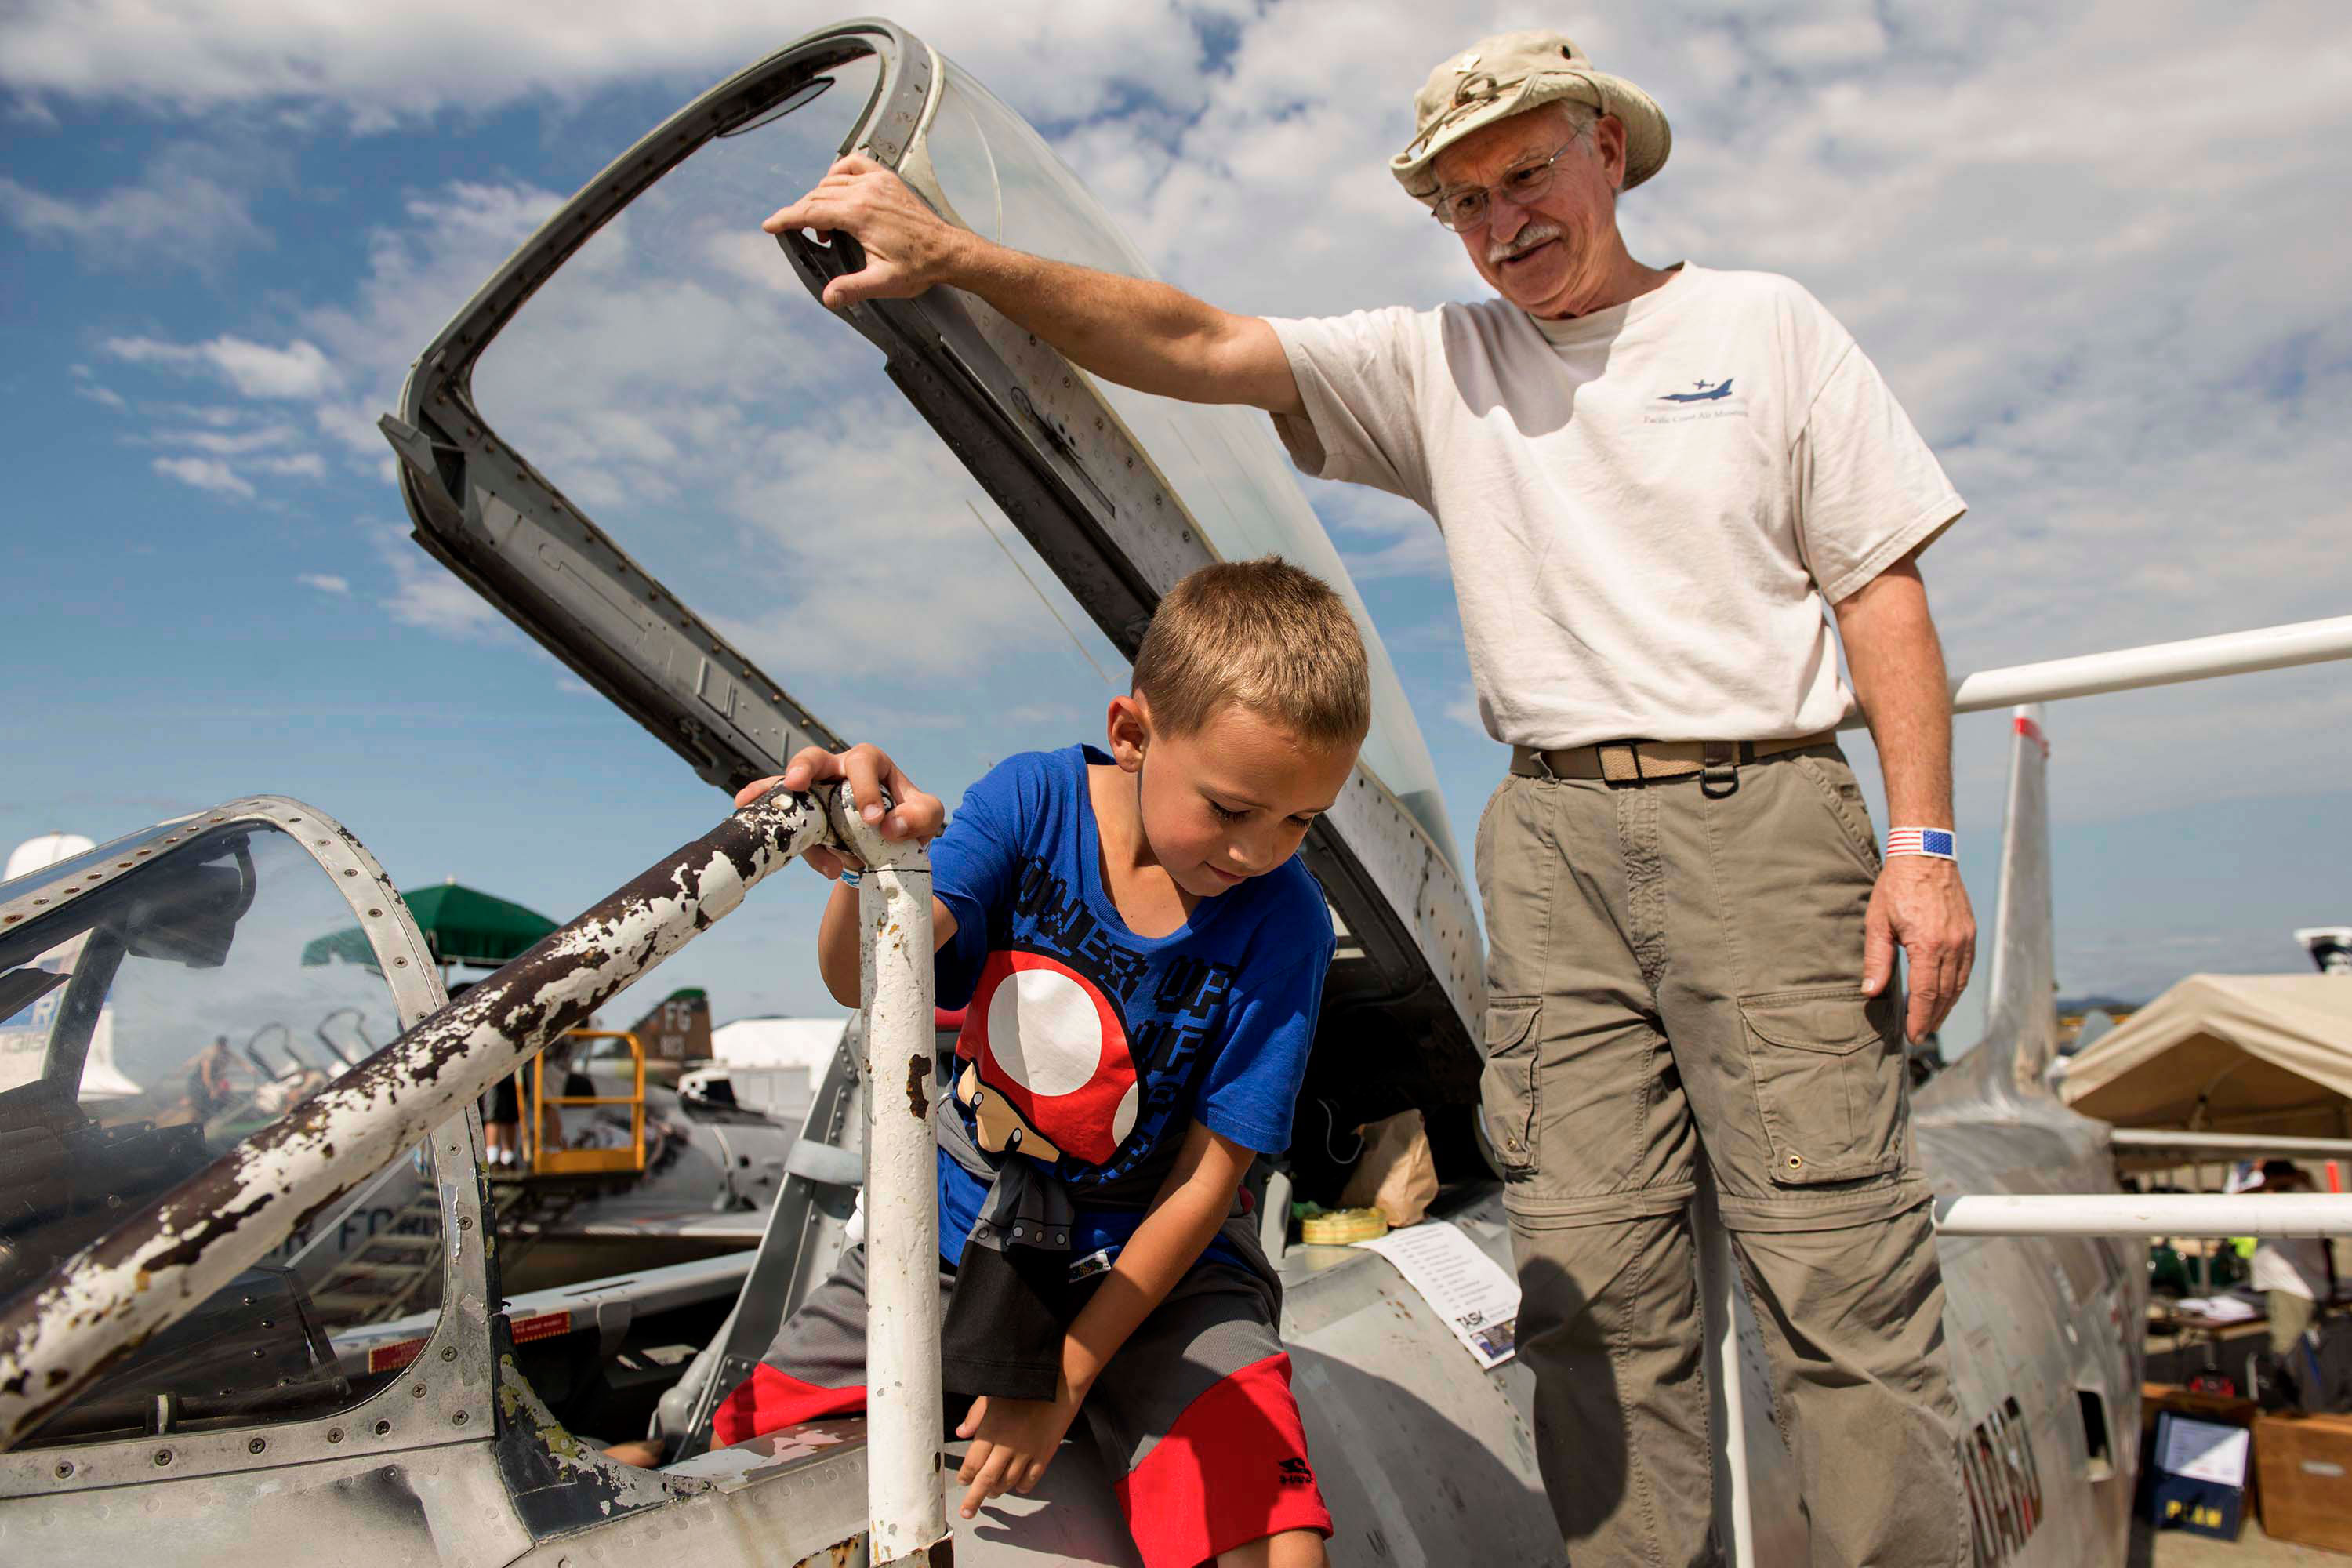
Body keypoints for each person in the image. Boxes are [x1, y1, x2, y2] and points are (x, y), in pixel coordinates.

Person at [761, 28, 1975, 1564]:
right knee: (1592, 1294)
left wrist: (1923, 843)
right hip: (1550, 836)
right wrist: (954, 258)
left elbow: (1881, 592)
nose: (1502, 222)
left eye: (1525, 176)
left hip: (1763, 812)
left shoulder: (1766, 326)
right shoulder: (1444, 362)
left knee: (1838, 1279)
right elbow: (1194, 342)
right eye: (1464, 202)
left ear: (1607, 148)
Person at [716, 560, 1365, 1568]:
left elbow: (1207, 1182)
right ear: (1132, 733)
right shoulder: (1032, 803)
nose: (1258, 851)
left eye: (1301, 820)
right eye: (1233, 809)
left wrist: (1061, 1378)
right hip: (958, 1236)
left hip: (1158, 1271)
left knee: (1279, 1540)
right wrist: (870, 858)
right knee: (733, 1455)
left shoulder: (1286, 922)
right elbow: (860, 978)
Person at [2252, 1161, 2336, 1360]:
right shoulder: (2304, 1195)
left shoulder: (2293, 1199)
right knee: (2314, 1349)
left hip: (2292, 1285)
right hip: (2305, 1283)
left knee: (2289, 1350)